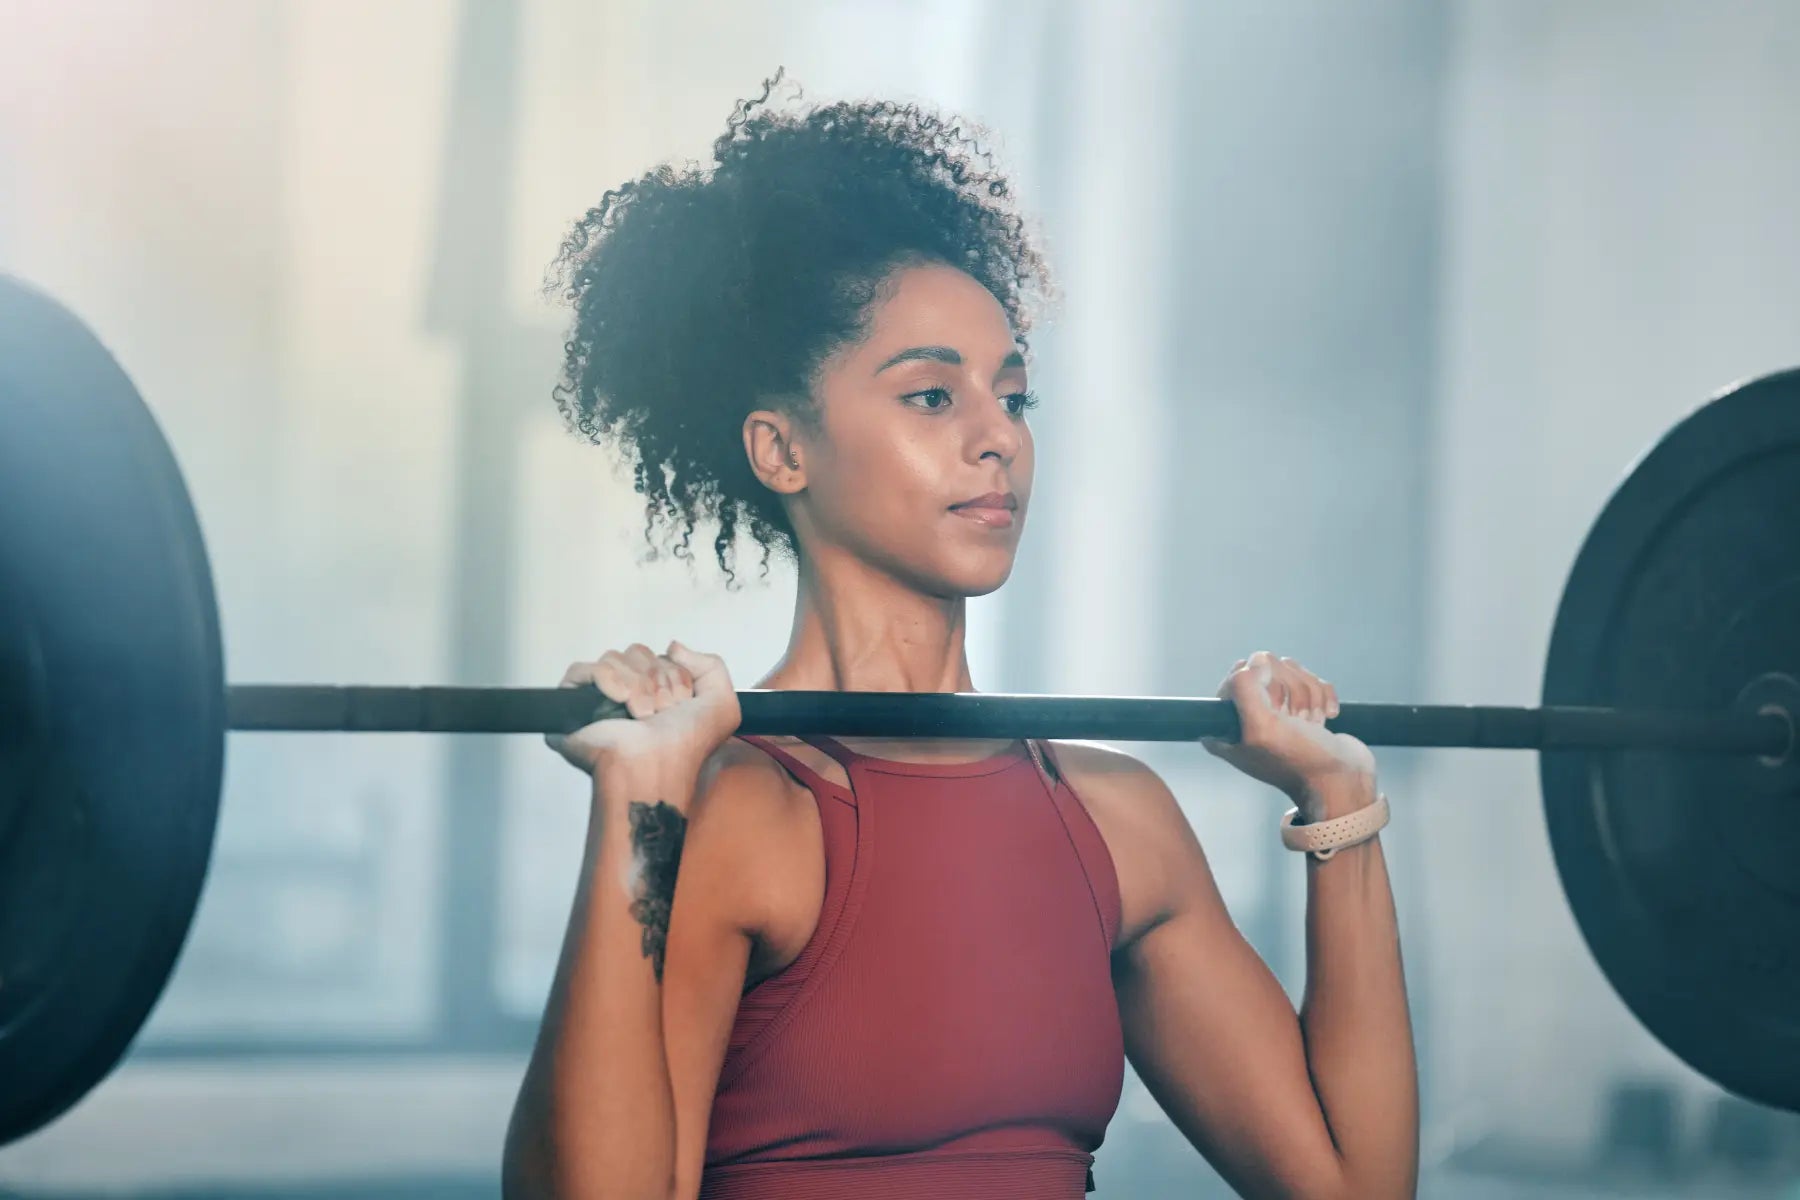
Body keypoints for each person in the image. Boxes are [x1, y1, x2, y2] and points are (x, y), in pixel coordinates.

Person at [503, 75, 1418, 1200]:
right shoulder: (739, 813)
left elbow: (1355, 1190)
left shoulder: (1114, 820)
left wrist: (1342, 803)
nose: (999, 441)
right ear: (782, 451)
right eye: (933, 398)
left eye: (1014, 397)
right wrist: (641, 808)